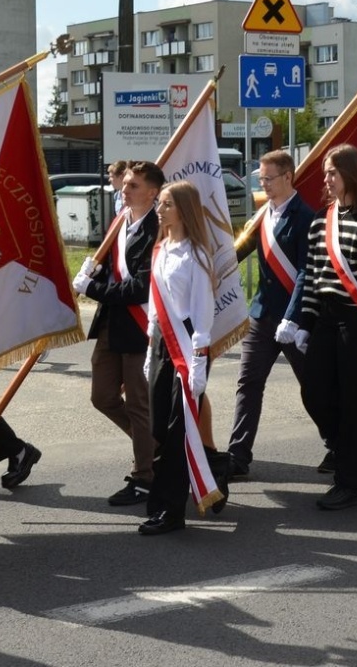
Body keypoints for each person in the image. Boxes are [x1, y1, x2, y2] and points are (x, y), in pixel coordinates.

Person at [286, 144, 357, 509]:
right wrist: (305, 322)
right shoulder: (321, 220)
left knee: (356, 403)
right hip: (327, 318)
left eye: (333, 171)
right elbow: (315, 276)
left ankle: (350, 482)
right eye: (326, 172)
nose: (326, 179)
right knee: (314, 392)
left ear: (351, 173)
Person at [229, 149, 326, 479]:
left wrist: (293, 316)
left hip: (294, 321)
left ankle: (340, 444)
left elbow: (306, 270)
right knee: (248, 383)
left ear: (288, 177)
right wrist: (213, 269)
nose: (264, 184)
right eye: (261, 178)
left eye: (269, 178)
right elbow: (239, 251)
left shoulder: (306, 217)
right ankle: (238, 455)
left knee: (313, 386)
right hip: (261, 314)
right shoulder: (261, 215)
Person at [74, 161, 162, 507]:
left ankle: (145, 476)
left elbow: (140, 288)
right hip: (112, 323)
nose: (124, 190)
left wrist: (91, 287)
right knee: (103, 397)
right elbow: (113, 270)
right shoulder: (119, 222)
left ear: (152, 193)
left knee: (139, 405)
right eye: (124, 184)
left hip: (140, 326)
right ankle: (155, 446)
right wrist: (92, 268)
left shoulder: (157, 228)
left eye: (133, 186)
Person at [140, 180, 220, 534]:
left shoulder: (196, 255)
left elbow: (203, 313)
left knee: (176, 433)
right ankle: (219, 469)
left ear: (183, 209)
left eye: (166, 203)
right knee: (158, 428)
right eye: (160, 202)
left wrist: (199, 363)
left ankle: (169, 511)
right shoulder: (160, 249)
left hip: (187, 347)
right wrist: (149, 349)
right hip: (161, 345)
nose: (159, 208)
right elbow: (156, 308)